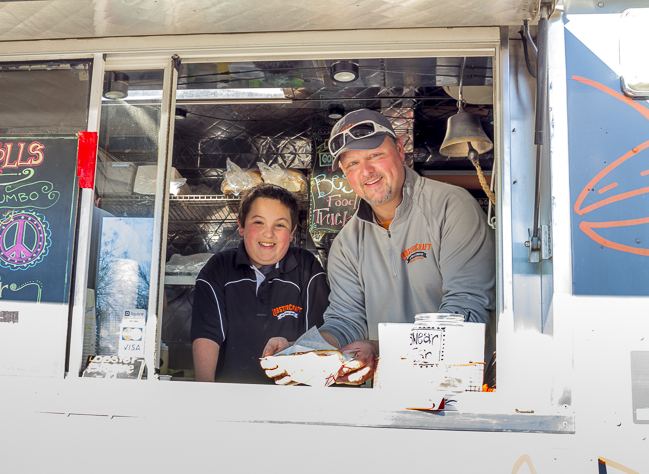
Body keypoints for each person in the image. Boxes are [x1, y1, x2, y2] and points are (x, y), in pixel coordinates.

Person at [263, 109, 495, 385]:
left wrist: (381, 349)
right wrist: (300, 351)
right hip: (387, 395)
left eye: (375, 155)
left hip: (457, 390)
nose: (366, 172)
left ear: (399, 149)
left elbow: (465, 312)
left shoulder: (451, 207)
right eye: (352, 164)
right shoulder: (346, 244)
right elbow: (345, 323)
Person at [191, 183, 330, 384]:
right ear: (241, 225)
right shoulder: (219, 267)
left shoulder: (307, 268)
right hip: (228, 397)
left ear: (292, 233)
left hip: (293, 399)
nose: (268, 233)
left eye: (280, 225)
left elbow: (319, 336)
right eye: (258, 222)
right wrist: (205, 390)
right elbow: (207, 334)